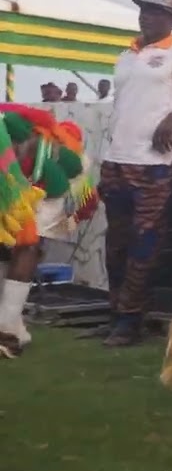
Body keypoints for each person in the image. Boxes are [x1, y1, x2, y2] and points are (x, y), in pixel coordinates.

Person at [91, 0, 172, 347]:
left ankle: (131, 319)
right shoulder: (125, 55)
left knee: (145, 242)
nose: (146, 16)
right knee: (116, 242)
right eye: (145, 10)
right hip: (117, 159)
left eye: (155, 12)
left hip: (156, 163)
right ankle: (116, 311)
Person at [0, 109, 96, 358]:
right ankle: (9, 326)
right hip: (25, 178)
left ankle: (9, 325)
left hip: (42, 184)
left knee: (25, 247)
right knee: (23, 249)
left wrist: (74, 216)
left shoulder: (68, 159)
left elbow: (78, 193)